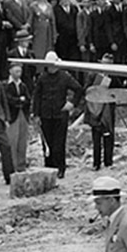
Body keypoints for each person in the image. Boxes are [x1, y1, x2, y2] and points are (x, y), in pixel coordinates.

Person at [33, 51, 84, 179]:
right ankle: (49, 169)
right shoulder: (42, 78)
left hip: (60, 115)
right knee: (47, 144)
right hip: (45, 115)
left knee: (59, 144)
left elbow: (79, 89)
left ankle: (60, 168)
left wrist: (72, 103)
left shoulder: (65, 76)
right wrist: (36, 114)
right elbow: (37, 97)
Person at [86, 55, 117, 171]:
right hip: (95, 107)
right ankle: (96, 162)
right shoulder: (92, 75)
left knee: (109, 134)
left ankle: (108, 162)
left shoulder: (114, 76)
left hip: (108, 107)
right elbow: (87, 89)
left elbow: (118, 89)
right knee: (96, 136)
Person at [3, 61, 32, 173]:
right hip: (13, 116)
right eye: (16, 71)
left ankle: (21, 165)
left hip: (23, 114)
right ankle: (13, 166)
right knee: (12, 141)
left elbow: (28, 99)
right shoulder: (7, 85)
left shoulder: (23, 85)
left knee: (22, 140)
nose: (18, 73)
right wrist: (20, 100)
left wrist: (22, 101)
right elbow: (8, 99)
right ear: (10, 71)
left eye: (20, 71)